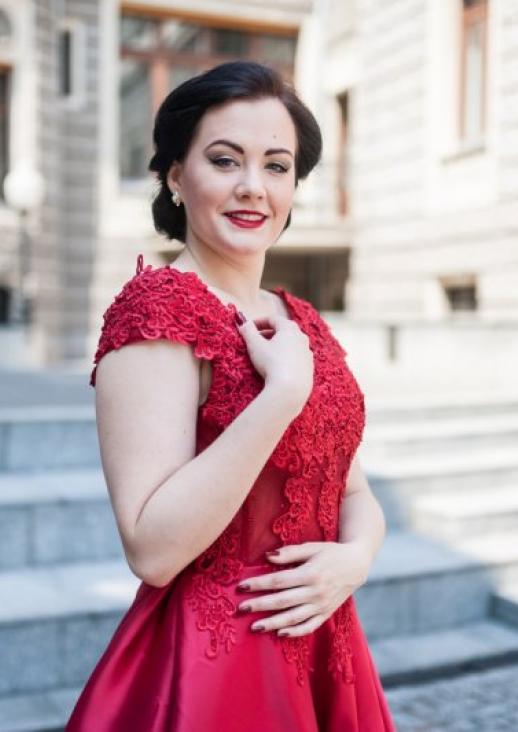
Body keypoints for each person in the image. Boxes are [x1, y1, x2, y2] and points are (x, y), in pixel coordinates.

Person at [66, 60, 395, 731]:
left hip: (327, 643)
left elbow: (353, 493)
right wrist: (280, 395)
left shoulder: (301, 320)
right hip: (214, 668)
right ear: (176, 176)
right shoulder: (155, 312)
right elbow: (153, 552)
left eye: (277, 166)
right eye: (225, 160)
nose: (253, 187)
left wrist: (354, 560)